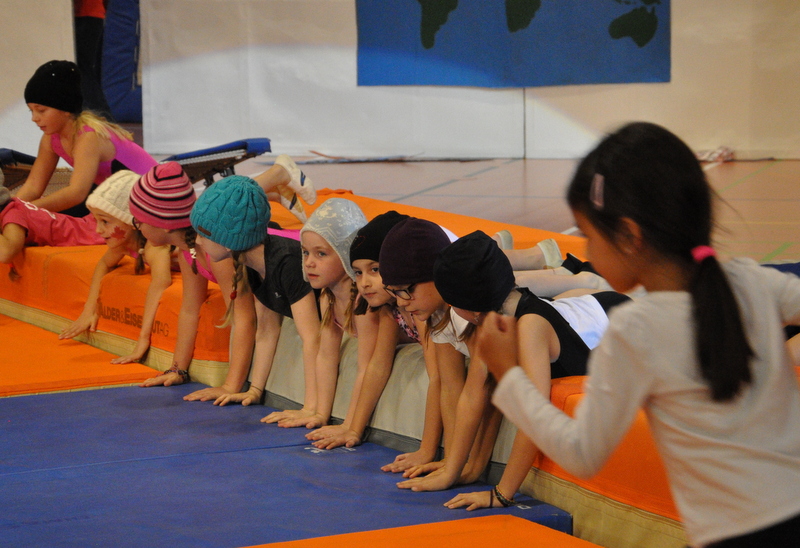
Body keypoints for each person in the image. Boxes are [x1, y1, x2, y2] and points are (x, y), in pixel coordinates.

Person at [480, 122, 800, 547]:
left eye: (590, 237)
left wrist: (508, 374)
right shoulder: (751, 280)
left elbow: (581, 453)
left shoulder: (636, 328)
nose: (588, 253)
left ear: (630, 236)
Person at [427, 230, 628, 510]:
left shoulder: (530, 327)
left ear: (471, 308)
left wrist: (501, 494)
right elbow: (473, 394)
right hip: (588, 311)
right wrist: (452, 470)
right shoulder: (492, 319)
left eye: (451, 303)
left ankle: (584, 277)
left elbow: (535, 414)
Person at [305, 211, 443, 468]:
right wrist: (353, 429)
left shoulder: (422, 310)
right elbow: (377, 366)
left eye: (375, 270)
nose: (365, 283)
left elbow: (439, 379)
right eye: (357, 273)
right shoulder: (391, 309)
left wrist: (427, 450)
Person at [190, 176, 321, 421]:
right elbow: (267, 330)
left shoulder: (287, 263)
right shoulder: (251, 262)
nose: (197, 241)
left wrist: (311, 409)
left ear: (228, 241)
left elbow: (313, 338)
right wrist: (254, 390)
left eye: (203, 234)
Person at [262, 198, 369, 429]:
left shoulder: (363, 302)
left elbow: (367, 368)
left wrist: (350, 426)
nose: (309, 263)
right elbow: (326, 357)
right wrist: (317, 412)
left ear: (345, 254)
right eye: (305, 252)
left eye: (321, 254)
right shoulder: (327, 297)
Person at [58, 170, 173, 364]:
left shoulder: (155, 246)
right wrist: (89, 310)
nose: (98, 230)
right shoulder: (124, 243)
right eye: (96, 220)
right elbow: (103, 264)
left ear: (132, 221)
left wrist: (143, 339)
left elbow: (160, 283)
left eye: (105, 221)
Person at [17, 60, 158, 217]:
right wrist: (11, 207)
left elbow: (76, 193)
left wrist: (24, 210)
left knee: (43, 217)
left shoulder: (88, 137)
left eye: (41, 110)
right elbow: (33, 186)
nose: (34, 118)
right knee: (29, 215)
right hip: (118, 195)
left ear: (66, 109)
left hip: (154, 199)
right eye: (31, 111)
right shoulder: (50, 138)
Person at [0, 186, 103, 278]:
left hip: (91, 234)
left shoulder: (12, 215)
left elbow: (6, 254)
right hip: (84, 227)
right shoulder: (10, 206)